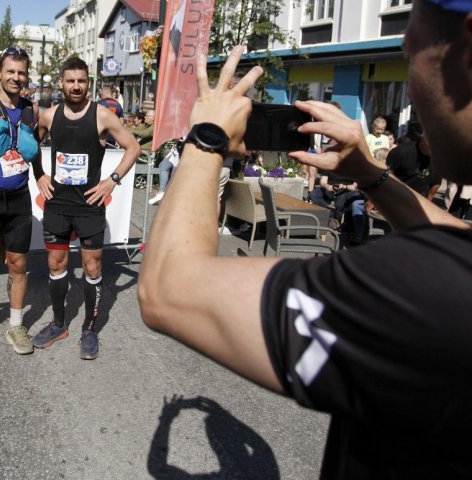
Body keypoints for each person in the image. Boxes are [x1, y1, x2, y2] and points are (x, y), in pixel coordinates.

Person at [138, 0, 472, 475]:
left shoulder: (426, 291)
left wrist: (206, 136)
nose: (412, 95)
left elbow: (166, 289)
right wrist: (371, 174)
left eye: (410, 51)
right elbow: (457, 236)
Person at [31, 56, 141, 360]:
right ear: (61, 83)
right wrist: (39, 174)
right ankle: (58, 324)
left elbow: (133, 147)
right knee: (56, 265)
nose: (76, 86)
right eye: (70, 80)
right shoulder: (49, 116)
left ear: (88, 83)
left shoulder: (103, 116)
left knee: (92, 267)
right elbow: (31, 147)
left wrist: (112, 180)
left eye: (81, 81)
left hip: (90, 208)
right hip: (57, 206)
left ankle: (90, 330)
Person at [0, 47, 40, 355]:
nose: (16, 77)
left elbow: (32, 150)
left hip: (20, 197)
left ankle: (16, 325)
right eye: (10, 71)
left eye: (21, 72)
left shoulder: (29, 109)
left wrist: (43, 176)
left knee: (19, 264)